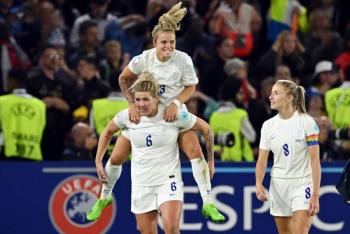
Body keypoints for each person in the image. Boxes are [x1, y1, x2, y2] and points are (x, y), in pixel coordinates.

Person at [100, 2, 224, 222]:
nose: (169, 46)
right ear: (155, 42)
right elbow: (123, 78)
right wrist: (130, 103)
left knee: (195, 150)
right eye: (164, 42)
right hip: (146, 110)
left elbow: (191, 87)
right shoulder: (144, 58)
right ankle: (104, 197)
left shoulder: (183, 59)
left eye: (172, 42)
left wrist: (176, 102)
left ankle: (208, 203)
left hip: (172, 114)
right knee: (117, 156)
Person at [87, 73, 218, 233]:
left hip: (168, 180)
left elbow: (206, 129)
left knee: (171, 229)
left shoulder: (172, 114)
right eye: (138, 100)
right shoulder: (129, 116)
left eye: (146, 99)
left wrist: (211, 160)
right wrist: (98, 161)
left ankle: (208, 201)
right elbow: (107, 132)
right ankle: (104, 197)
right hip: (142, 183)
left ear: (156, 98)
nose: (141, 104)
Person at [255, 80, 321, 234]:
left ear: (290, 97)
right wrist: (258, 183)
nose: (271, 97)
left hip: (303, 183)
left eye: (276, 93)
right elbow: (262, 160)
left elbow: (315, 161)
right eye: (271, 93)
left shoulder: (307, 122)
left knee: (299, 232)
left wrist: (315, 194)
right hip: (278, 186)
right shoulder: (268, 125)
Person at [0, 69, 46, 161]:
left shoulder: (2, 101)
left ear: (12, 81)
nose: (7, 83)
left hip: (7, 154)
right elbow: (41, 128)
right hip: (33, 154)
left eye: (8, 80)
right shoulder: (40, 105)